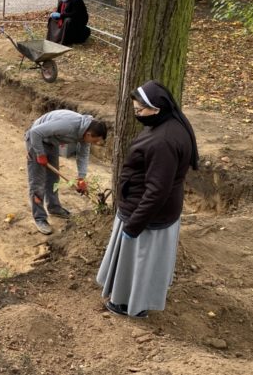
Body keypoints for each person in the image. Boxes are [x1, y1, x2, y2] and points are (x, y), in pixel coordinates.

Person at [97, 80, 199, 318]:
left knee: (137, 263)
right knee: (148, 263)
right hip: (158, 212)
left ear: (157, 109)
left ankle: (128, 304)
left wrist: (134, 226)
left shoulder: (162, 141)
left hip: (145, 215)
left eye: (139, 111)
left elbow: (156, 191)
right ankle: (135, 299)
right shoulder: (173, 124)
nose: (136, 115)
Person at [25, 110, 107, 235]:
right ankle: (40, 218)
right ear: (89, 134)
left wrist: (81, 178)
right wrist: (40, 154)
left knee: (53, 179)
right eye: (94, 141)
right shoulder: (68, 125)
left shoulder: (86, 134)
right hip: (36, 140)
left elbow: (83, 155)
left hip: (51, 143)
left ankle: (54, 208)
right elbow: (34, 132)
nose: (94, 143)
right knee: (37, 183)